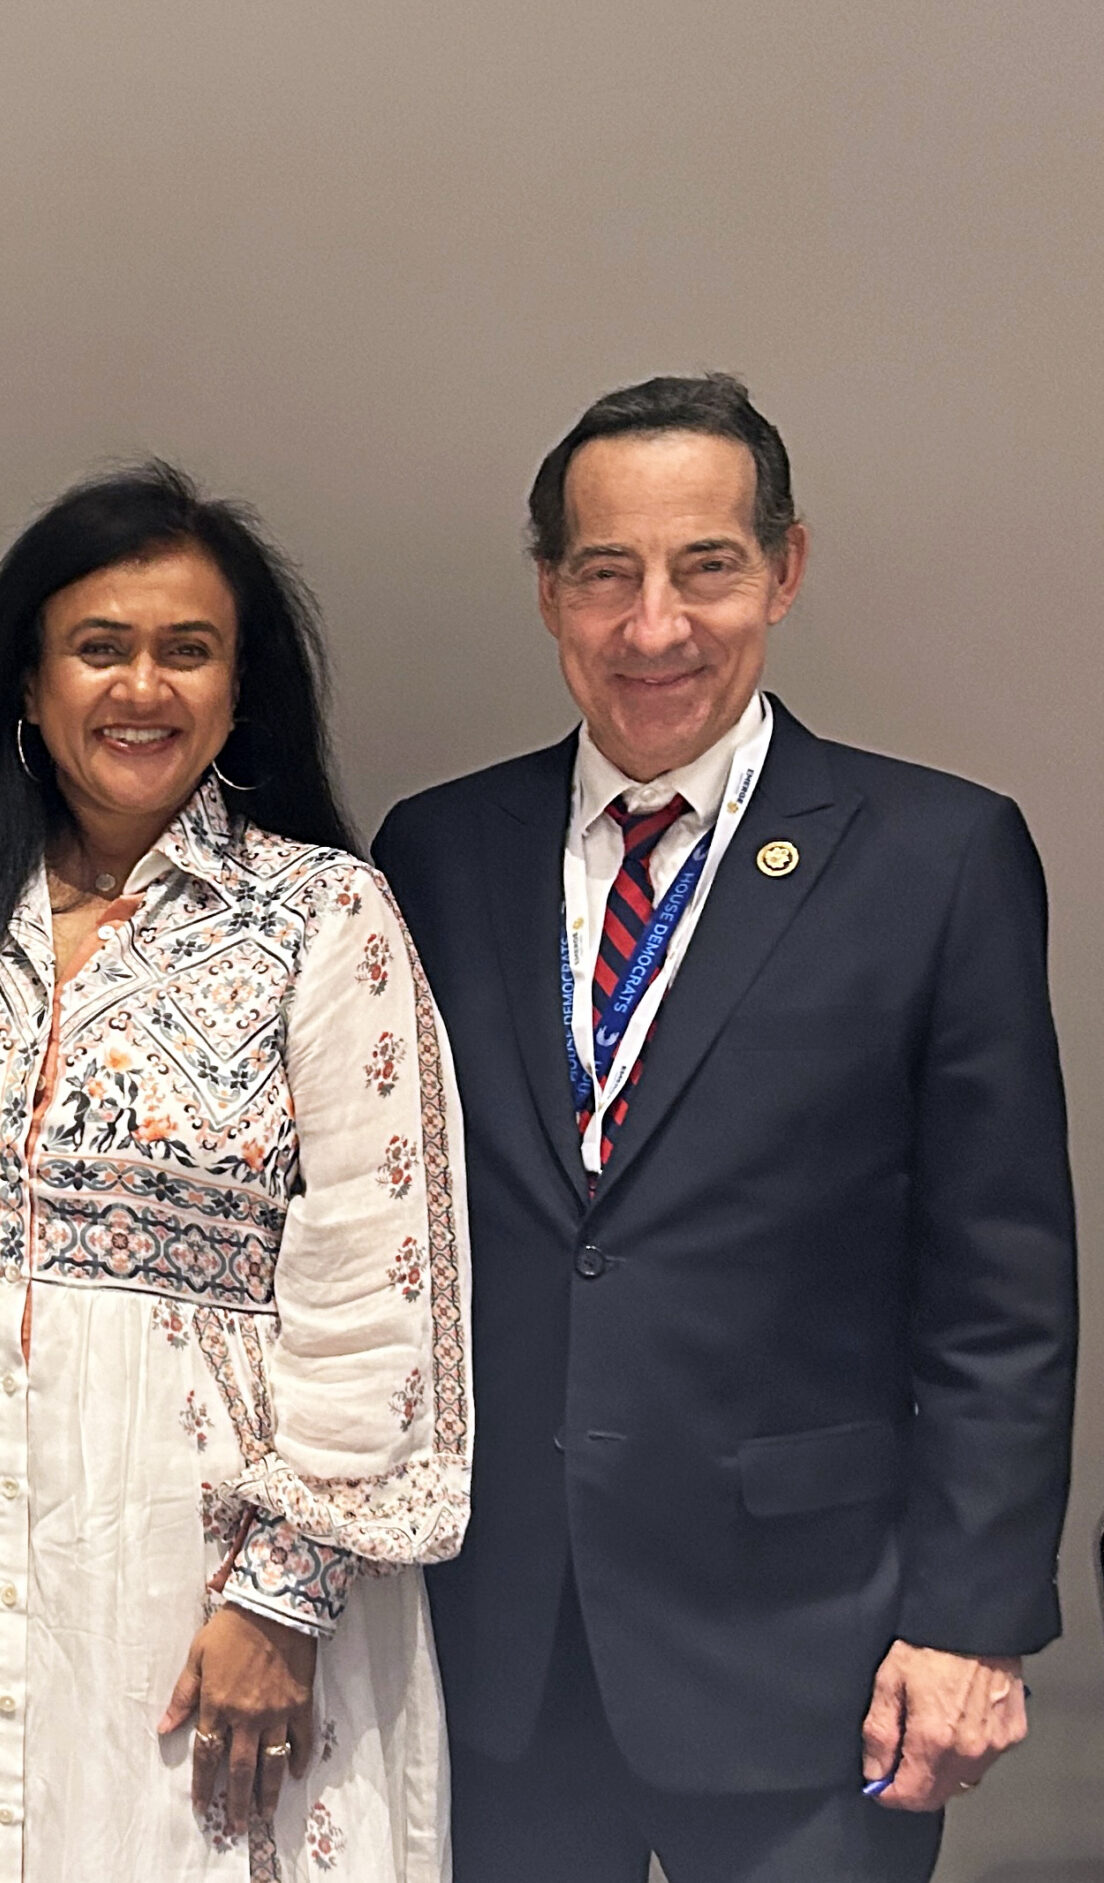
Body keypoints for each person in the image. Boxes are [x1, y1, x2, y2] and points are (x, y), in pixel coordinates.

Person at [371, 373, 1078, 1882]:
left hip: (809, 1659)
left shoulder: (936, 858)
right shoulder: (434, 853)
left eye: (707, 567)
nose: (655, 628)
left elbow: (1000, 1290)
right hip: (503, 1653)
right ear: (550, 592)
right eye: (606, 574)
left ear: (785, 568)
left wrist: (970, 1619)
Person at [0, 463, 472, 1882]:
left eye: (185, 650)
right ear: (28, 683)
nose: (141, 687)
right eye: (100, 646)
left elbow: (385, 1285)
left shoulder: (322, 917)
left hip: (210, 1593)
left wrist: (284, 1596)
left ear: (234, 689)